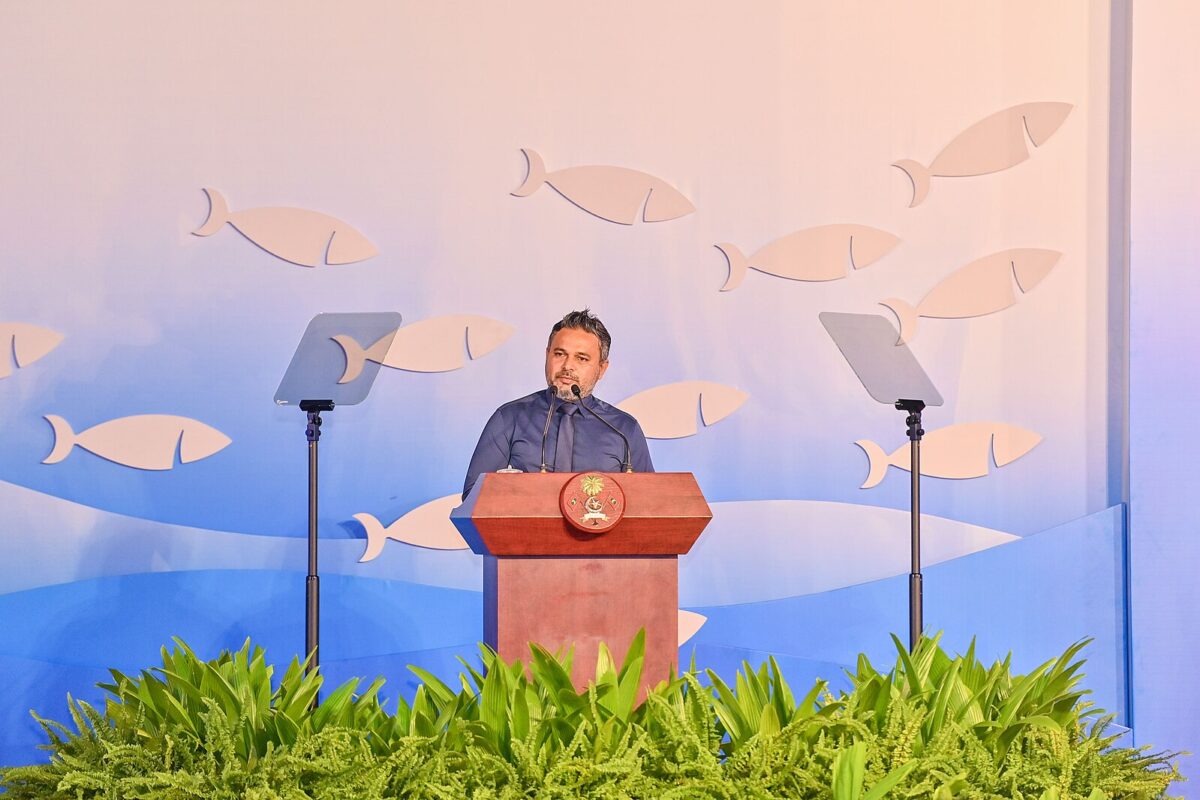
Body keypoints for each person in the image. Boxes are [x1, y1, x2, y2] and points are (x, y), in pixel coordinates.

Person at [462, 309, 654, 497]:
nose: (567, 366)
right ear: (547, 355)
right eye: (560, 354)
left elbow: (648, 501)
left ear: (602, 368)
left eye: (581, 358)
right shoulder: (509, 418)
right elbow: (474, 496)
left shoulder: (624, 430)